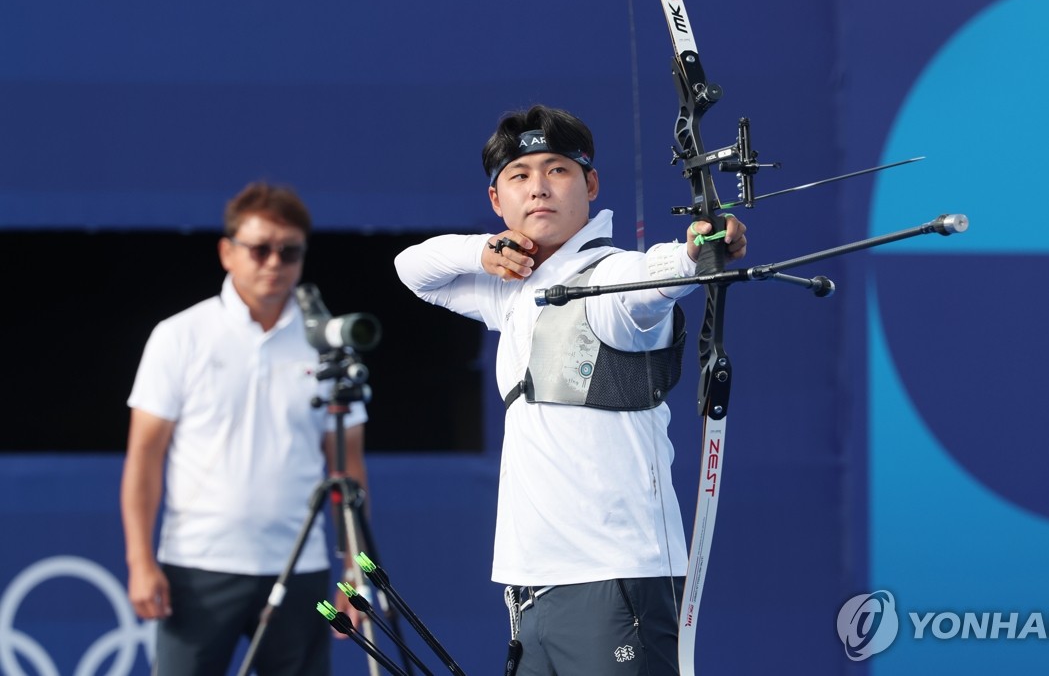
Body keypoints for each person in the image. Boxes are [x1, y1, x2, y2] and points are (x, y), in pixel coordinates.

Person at [394, 105, 747, 675]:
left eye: (557, 170)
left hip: (615, 581)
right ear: (496, 201)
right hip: (531, 588)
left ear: (590, 184)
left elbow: (653, 278)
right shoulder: (507, 293)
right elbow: (412, 268)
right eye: (519, 175)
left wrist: (695, 251)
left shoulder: (611, 277)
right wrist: (482, 252)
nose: (538, 188)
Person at [120, 181, 369, 675]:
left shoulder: (331, 344)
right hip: (196, 569)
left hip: (302, 572)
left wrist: (353, 576)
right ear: (227, 253)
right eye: (259, 249)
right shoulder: (179, 336)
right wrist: (139, 560)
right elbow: (144, 456)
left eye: (289, 251)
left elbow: (348, 467)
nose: (274, 262)